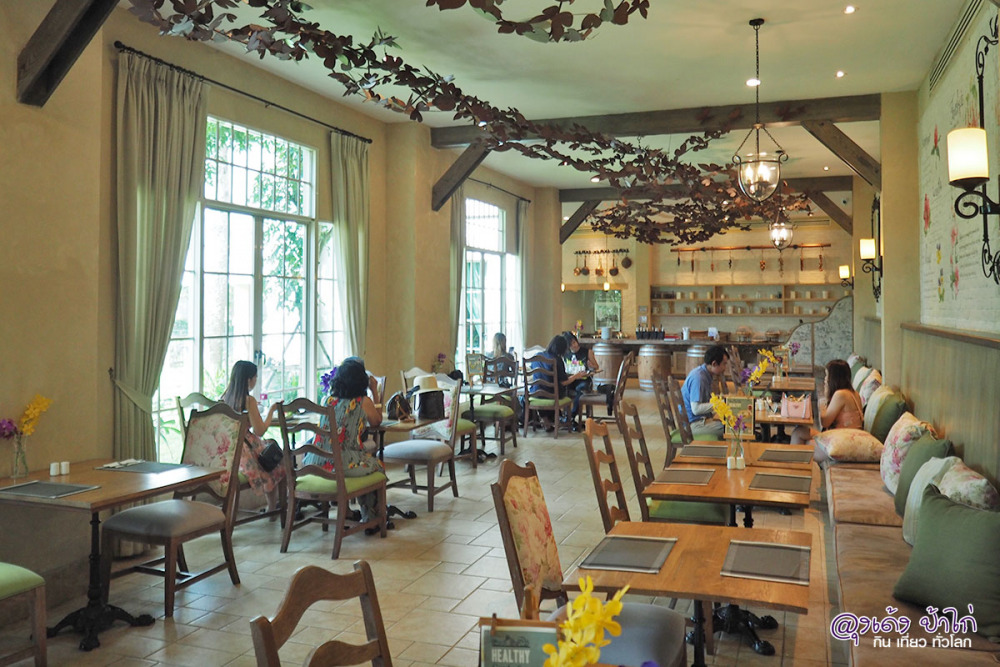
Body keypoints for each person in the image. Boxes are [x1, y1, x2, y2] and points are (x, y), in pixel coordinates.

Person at [304, 358, 384, 522]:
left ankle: (346, 511)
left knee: (359, 460)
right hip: (343, 463)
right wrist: (375, 392)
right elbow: (377, 421)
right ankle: (370, 517)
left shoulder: (327, 400)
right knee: (376, 465)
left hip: (316, 461)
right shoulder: (363, 402)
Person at [219, 360, 286, 513]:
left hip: (227, 452)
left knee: (269, 448)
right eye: (255, 377)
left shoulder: (223, 399)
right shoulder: (248, 401)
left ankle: (270, 508)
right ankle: (272, 508)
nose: (256, 380)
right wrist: (272, 410)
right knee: (274, 460)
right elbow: (260, 431)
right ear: (249, 380)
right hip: (244, 453)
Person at [791, 359, 864, 461]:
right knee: (799, 431)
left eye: (827, 376)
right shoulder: (854, 393)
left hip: (841, 441)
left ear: (834, 378)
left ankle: (795, 467)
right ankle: (798, 466)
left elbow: (825, 422)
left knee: (800, 439)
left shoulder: (841, 395)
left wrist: (825, 398)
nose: (825, 380)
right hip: (842, 436)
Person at [529, 335, 588, 430]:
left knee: (543, 389)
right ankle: (565, 418)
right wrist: (576, 376)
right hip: (552, 395)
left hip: (535, 393)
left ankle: (546, 420)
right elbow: (564, 382)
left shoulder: (537, 356)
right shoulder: (557, 360)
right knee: (566, 392)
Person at [680, 345, 729, 439]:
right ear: (714, 363)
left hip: (700, 420)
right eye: (724, 364)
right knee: (732, 427)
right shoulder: (699, 378)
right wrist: (720, 404)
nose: (725, 368)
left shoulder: (704, 374)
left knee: (731, 422)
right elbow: (696, 409)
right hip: (693, 425)